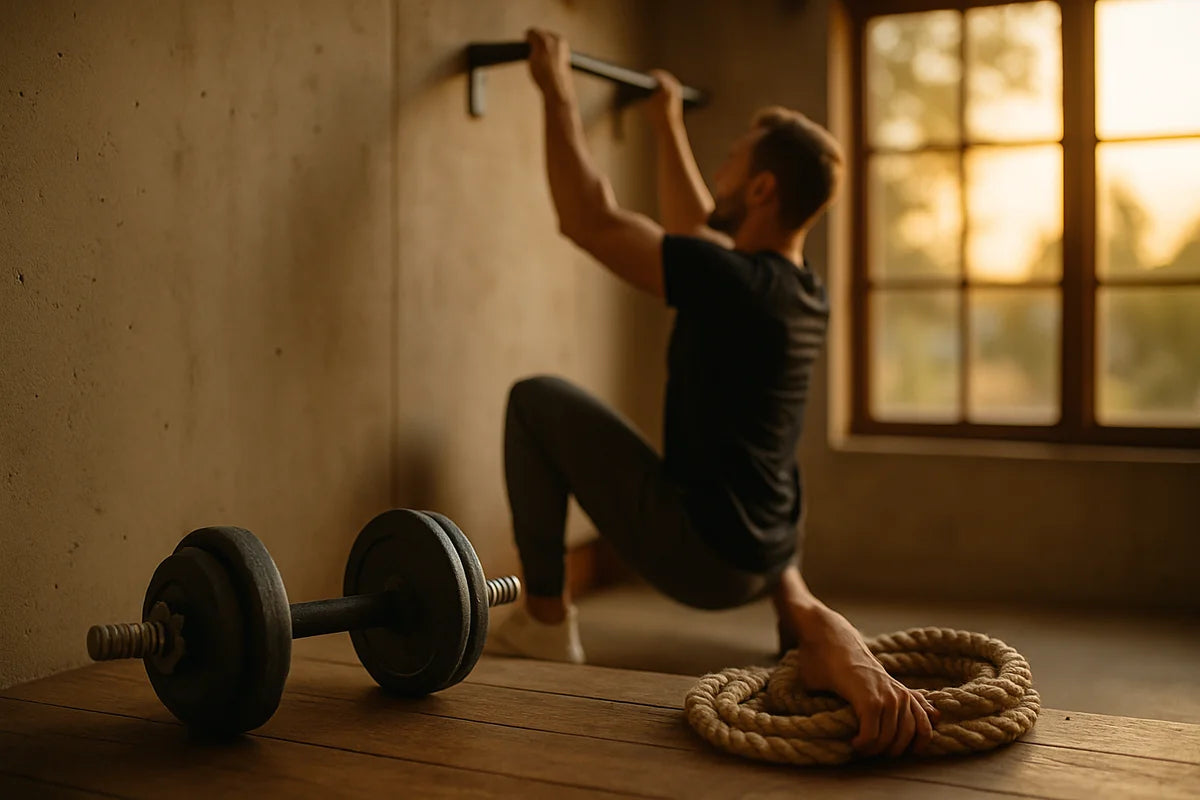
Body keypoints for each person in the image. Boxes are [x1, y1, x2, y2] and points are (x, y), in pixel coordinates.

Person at [488, 28, 938, 758]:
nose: (717, 170)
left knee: (536, 398)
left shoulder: (733, 284)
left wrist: (556, 89)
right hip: (769, 553)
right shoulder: (799, 290)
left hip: (703, 559)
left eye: (730, 160)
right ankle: (794, 607)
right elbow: (694, 228)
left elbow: (588, 221)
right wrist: (666, 121)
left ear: (761, 190)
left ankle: (542, 620)